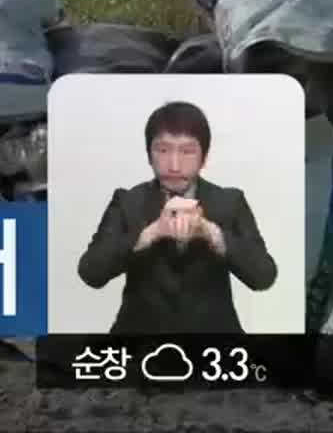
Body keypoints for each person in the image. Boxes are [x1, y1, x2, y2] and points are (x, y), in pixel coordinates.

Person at [76, 99, 278, 334]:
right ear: (149, 154)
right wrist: (148, 234)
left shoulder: (230, 202)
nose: (174, 165)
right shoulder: (127, 202)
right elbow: (91, 272)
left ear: (204, 157)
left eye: (187, 151)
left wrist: (212, 233)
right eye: (162, 150)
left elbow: (263, 276)